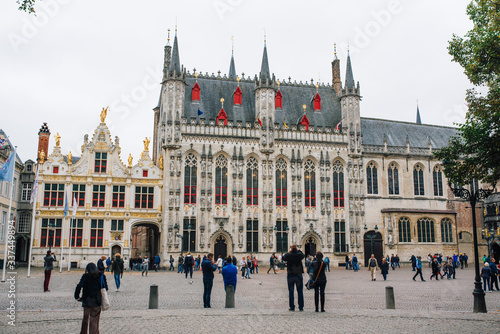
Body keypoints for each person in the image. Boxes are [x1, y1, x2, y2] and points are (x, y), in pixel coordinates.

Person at [75, 263, 108, 334]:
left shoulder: (85, 276)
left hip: (86, 301)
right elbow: (106, 288)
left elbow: (79, 286)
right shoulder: (101, 276)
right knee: (94, 320)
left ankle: (83, 332)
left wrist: (77, 296)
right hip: (97, 301)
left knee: (85, 319)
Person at [283, 244, 305, 311]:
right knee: (300, 291)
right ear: (297, 249)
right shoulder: (299, 255)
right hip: (298, 275)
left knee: (291, 291)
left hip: (290, 275)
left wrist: (289, 252)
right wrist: (299, 250)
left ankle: (292, 307)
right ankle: (301, 306)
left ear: (291, 249)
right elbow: (303, 255)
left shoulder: (288, 255)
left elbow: (283, 258)